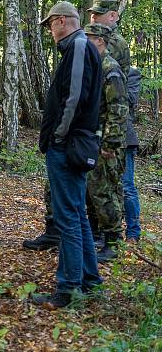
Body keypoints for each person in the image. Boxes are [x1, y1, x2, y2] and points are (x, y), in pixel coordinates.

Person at [32, 1, 103, 309]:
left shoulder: (77, 46)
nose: (50, 30)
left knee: (68, 218)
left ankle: (68, 287)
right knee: (77, 214)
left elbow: (74, 96)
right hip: (73, 143)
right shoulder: (81, 47)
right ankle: (89, 282)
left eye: (50, 24)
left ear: (62, 21)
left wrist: (58, 135)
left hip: (68, 145)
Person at [83, 23, 128, 262]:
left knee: (104, 191)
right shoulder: (93, 64)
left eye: (88, 37)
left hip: (104, 142)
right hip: (91, 138)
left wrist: (111, 144)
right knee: (92, 191)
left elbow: (118, 109)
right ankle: (96, 236)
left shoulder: (110, 68)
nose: (85, 41)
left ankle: (112, 241)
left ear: (99, 40)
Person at [123, 67, 142, 242]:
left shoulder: (131, 73)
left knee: (126, 187)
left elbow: (130, 99)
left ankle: (133, 232)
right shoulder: (92, 66)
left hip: (124, 138)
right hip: (96, 136)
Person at [88, 0, 130, 75]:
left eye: (98, 13)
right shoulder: (91, 36)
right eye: (92, 13)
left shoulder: (116, 42)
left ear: (112, 16)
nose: (93, 16)